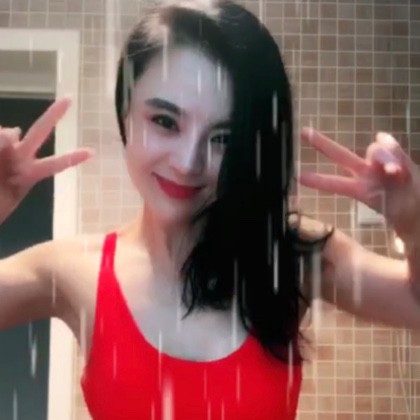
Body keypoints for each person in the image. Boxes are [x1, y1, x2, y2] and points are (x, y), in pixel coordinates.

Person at [0, 0, 419, 419]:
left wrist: (414, 220)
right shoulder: (73, 270)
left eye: (224, 138)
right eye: (165, 122)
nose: (188, 163)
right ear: (126, 112)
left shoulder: (290, 255)